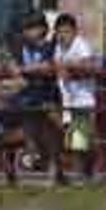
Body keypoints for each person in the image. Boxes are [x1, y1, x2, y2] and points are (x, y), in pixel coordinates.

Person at [11, 10, 64, 184]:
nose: (26, 33)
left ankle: (57, 169)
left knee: (56, 131)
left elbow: (49, 65)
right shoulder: (20, 45)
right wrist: (15, 70)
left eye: (30, 29)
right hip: (29, 95)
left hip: (49, 94)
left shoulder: (52, 44)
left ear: (42, 28)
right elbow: (13, 65)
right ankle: (36, 163)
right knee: (31, 134)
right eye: (25, 29)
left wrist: (26, 70)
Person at [53, 13, 98, 183]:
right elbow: (56, 66)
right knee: (72, 140)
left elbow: (89, 66)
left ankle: (84, 174)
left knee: (80, 140)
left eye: (66, 32)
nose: (63, 36)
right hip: (66, 99)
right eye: (59, 32)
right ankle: (82, 173)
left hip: (83, 99)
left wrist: (70, 67)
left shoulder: (81, 46)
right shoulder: (58, 47)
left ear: (74, 31)